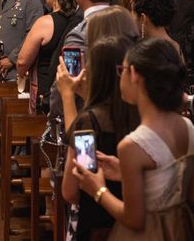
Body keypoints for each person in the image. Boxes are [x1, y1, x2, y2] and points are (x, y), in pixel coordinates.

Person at [72, 38, 194, 240]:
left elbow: (134, 218)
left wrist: (97, 189)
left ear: (134, 75)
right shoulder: (188, 127)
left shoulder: (133, 145)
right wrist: (125, 171)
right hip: (180, 229)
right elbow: (189, 192)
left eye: (121, 70)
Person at [61, 36, 138, 241]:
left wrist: (67, 96)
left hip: (97, 224)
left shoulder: (89, 121)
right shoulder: (141, 114)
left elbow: (71, 191)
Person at [17, 0, 75, 112]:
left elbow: (23, 60)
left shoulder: (45, 22)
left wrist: (21, 73)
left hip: (45, 88)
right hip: (69, 86)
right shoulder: (77, 19)